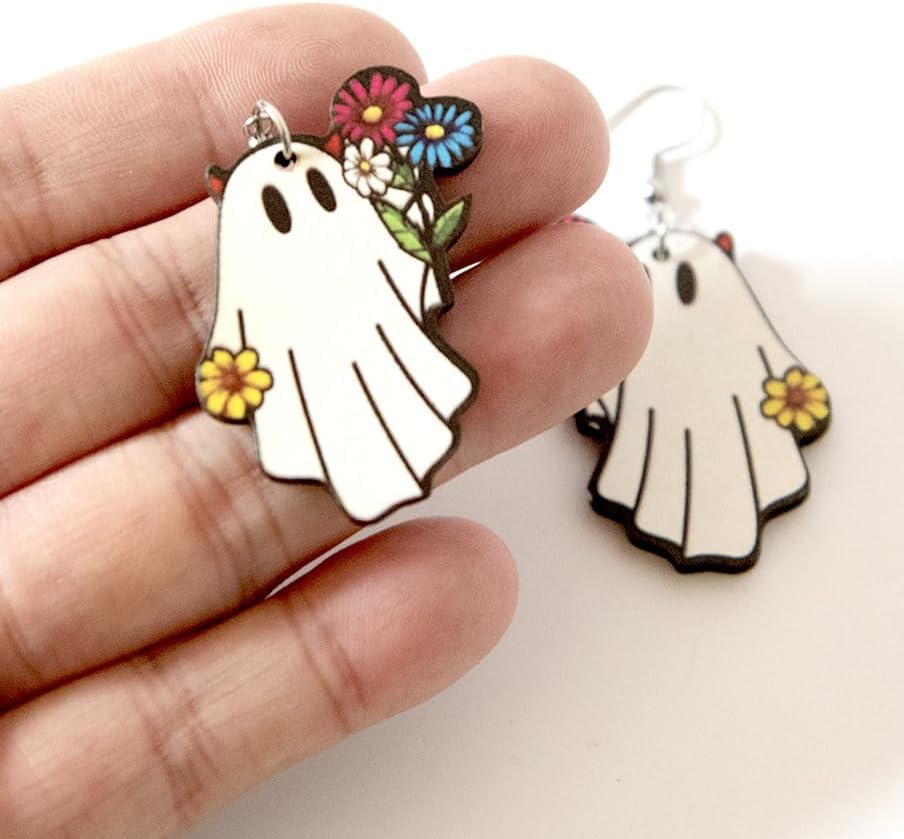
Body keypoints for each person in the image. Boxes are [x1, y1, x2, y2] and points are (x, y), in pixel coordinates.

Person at [0, 6, 650, 836]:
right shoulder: (259, 272)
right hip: (312, 388)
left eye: (311, 189)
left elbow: (410, 273)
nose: (300, 205)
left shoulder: (364, 238)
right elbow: (240, 339)